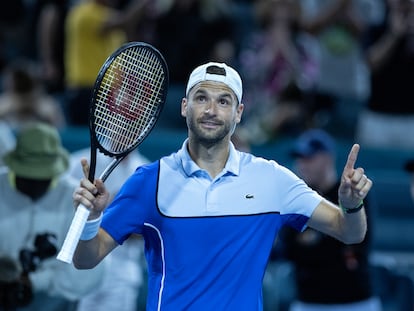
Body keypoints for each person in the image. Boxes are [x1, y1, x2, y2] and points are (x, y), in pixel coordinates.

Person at [71, 62, 372, 310]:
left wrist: (351, 203)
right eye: (201, 98)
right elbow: (85, 259)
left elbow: (350, 232)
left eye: (223, 101)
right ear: (184, 106)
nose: (211, 110)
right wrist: (91, 218)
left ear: (239, 113)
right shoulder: (149, 181)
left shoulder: (272, 179)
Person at [0, 122, 103, 311]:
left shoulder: (78, 202)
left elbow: (87, 275)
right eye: (27, 176)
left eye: (42, 178)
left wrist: (34, 281)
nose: (35, 183)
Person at [276, 129, 381, 311]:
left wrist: (315, 244)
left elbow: (358, 241)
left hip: (355, 302)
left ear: (326, 159)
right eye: (299, 158)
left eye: (309, 158)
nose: (302, 164)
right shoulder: (298, 197)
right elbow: (291, 248)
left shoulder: (351, 193)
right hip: (308, 302)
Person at [68, 148, 149, 311]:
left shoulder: (145, 171)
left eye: (132, 126)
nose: (125, 132)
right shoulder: (79, 161)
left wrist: (118, 216)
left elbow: (148, 229)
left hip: (122, 272)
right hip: (77, 267)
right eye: (122, 124)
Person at [356, 0, 414, 149]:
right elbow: (372, 63)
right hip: (377, 118)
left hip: (410, 119)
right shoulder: (375, 29)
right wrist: (394, 34)